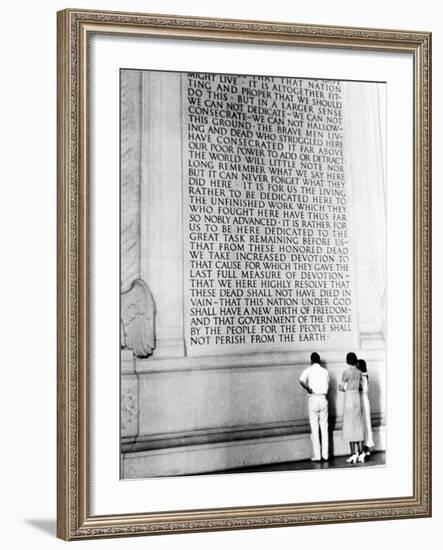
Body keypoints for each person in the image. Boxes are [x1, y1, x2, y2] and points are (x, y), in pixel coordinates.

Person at [299, 352, 330, 462]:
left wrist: (308, 388)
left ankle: (317, 456)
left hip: (313, 399)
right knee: (324, 428)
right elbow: (328, 384)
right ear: (319, 360)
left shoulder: (309, 370)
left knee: (315, 428)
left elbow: (301, 380)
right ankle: (326, 455)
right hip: (323, 398)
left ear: (311, 361)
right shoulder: (325, 371)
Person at [339, 352, 365, 464]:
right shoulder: (359, 373)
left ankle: (353, 453)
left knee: (349, 425)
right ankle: (361, 452)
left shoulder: (346, 372)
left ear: (347, 360)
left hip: (349, 398)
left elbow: (342, 387)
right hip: (357, 398)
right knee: (358, 424)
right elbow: (360, 386)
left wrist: (340, 388)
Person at [357, 359, 374, 457]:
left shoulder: (362, 376)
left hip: (363, 400)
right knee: (365, 424)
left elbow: (362, 389)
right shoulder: (364, 375)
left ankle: (365, 448)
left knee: (365, 424)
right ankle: (365, 447)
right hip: (364, 400)